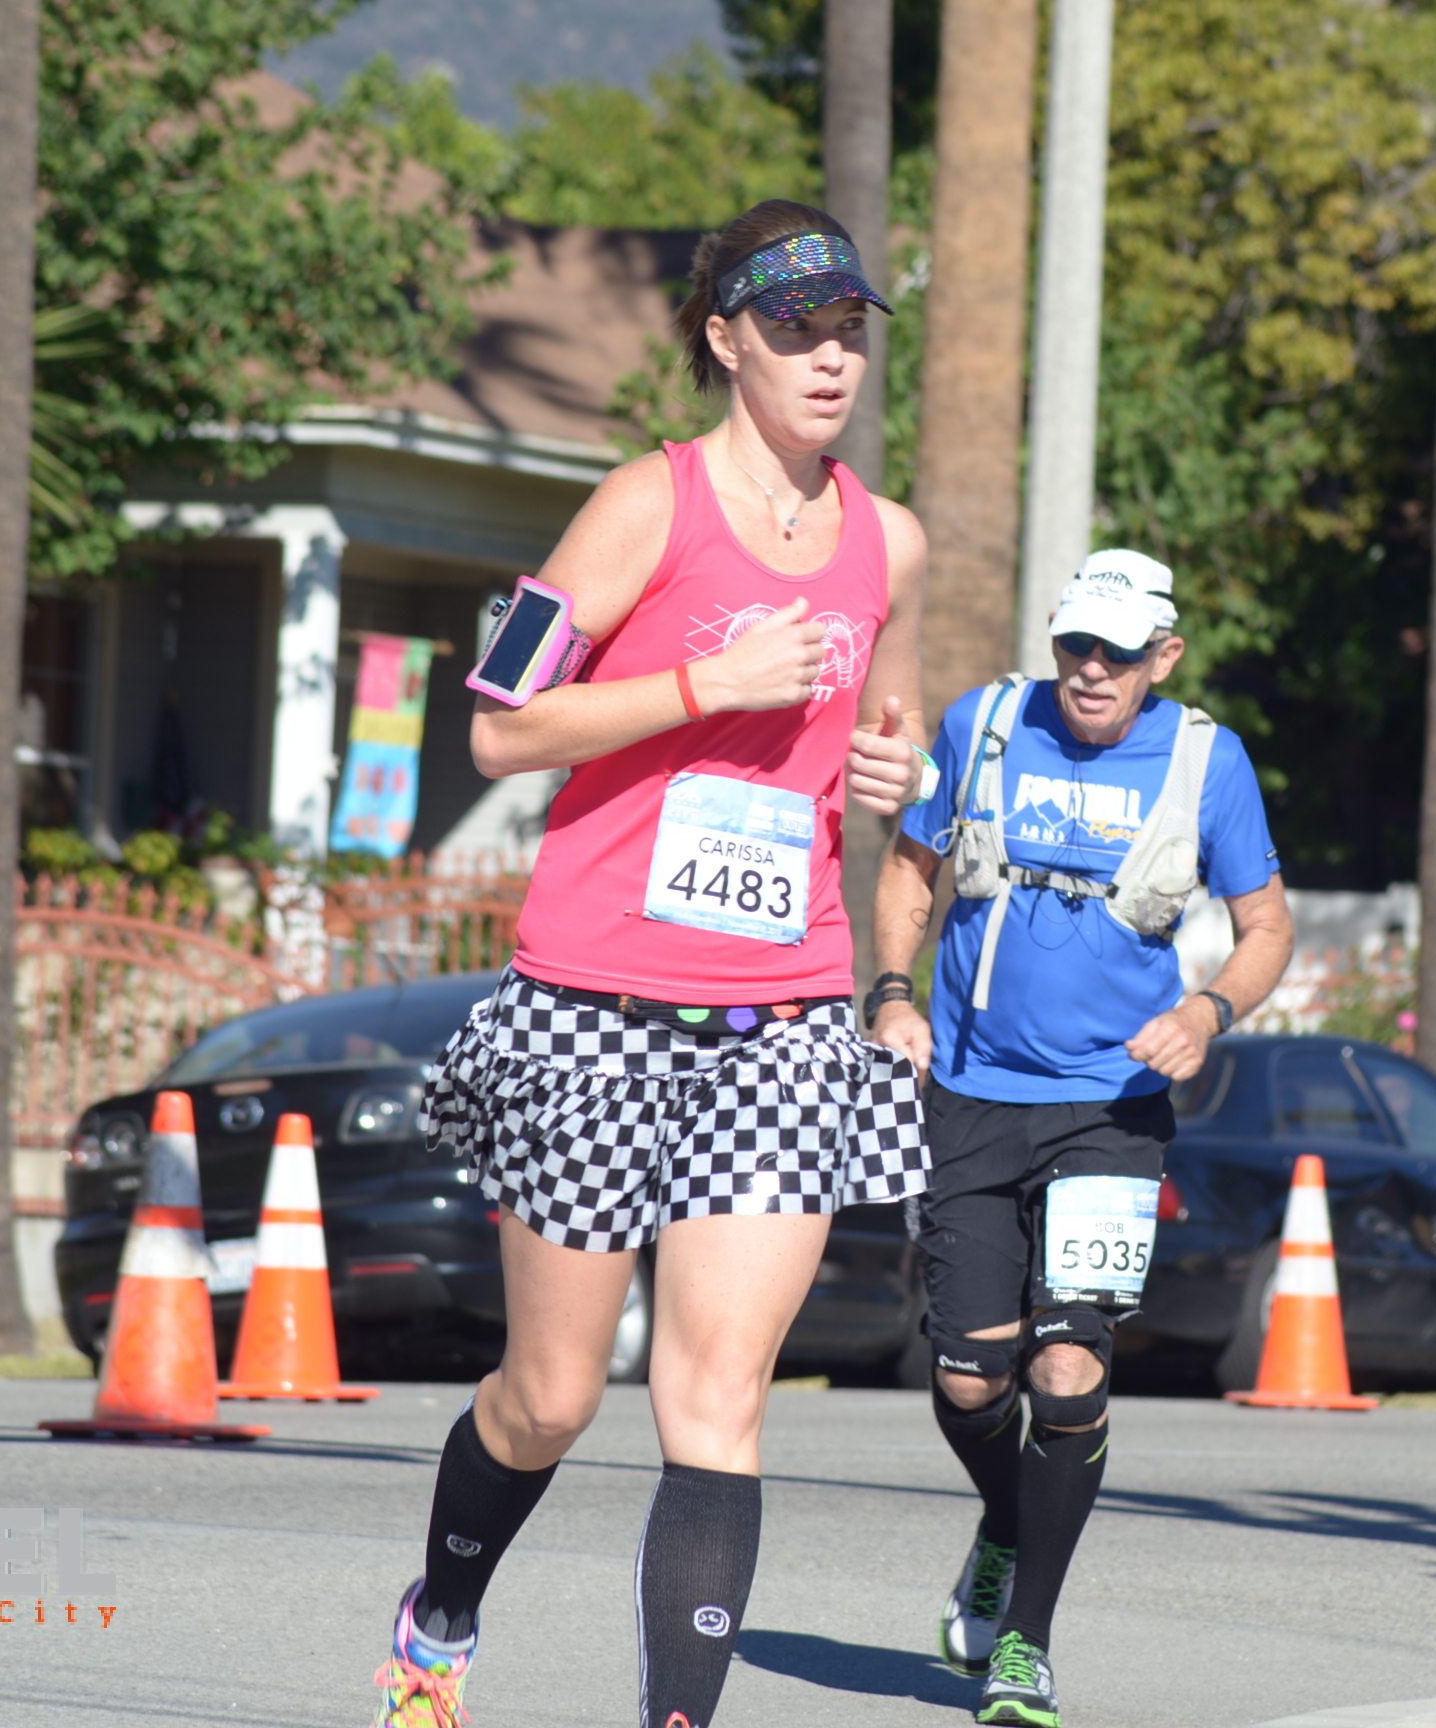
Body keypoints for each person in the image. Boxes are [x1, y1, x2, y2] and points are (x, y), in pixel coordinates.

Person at [378, 201, 934, 1728]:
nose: (831, 360)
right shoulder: (646, 503)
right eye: (798, 331)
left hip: (781, 1018)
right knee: (551, 1397)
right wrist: (709, 683)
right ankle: (440, 1620)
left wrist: (899, 780)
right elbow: (499, 729)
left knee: (718, 1400)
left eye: (848, 331)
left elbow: (894, 754)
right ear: (726, 339)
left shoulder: (889, 541)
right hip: (594, 1006)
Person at [870, 549, 1294, 1728]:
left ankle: (1024, 1642)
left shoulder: (1207, 760)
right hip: (968, 1093)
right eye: (1074, 644)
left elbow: (1265, 926)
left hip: (1111, 1109)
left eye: (1117, 650)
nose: (1091, 668)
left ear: (1164, 655)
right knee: (969, 1378)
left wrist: (1206, 1012)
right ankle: (1006, 1522)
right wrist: (891, 992)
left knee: (1067, 1371)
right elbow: (908, 867)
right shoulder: (983, 724)